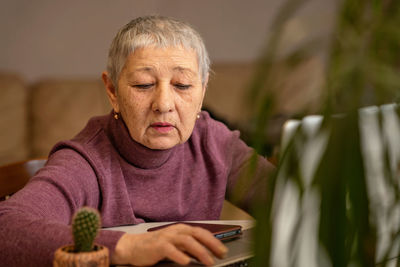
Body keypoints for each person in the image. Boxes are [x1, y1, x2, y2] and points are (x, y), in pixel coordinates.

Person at [0, 15, 274, 266]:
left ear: (202, 92)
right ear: (112, 91)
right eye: (143, 85)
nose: (164, 104)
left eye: (182, 85)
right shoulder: (84, 160)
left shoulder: (214, 141)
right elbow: (6, 229)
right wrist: (127, 246)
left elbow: (298, 204)